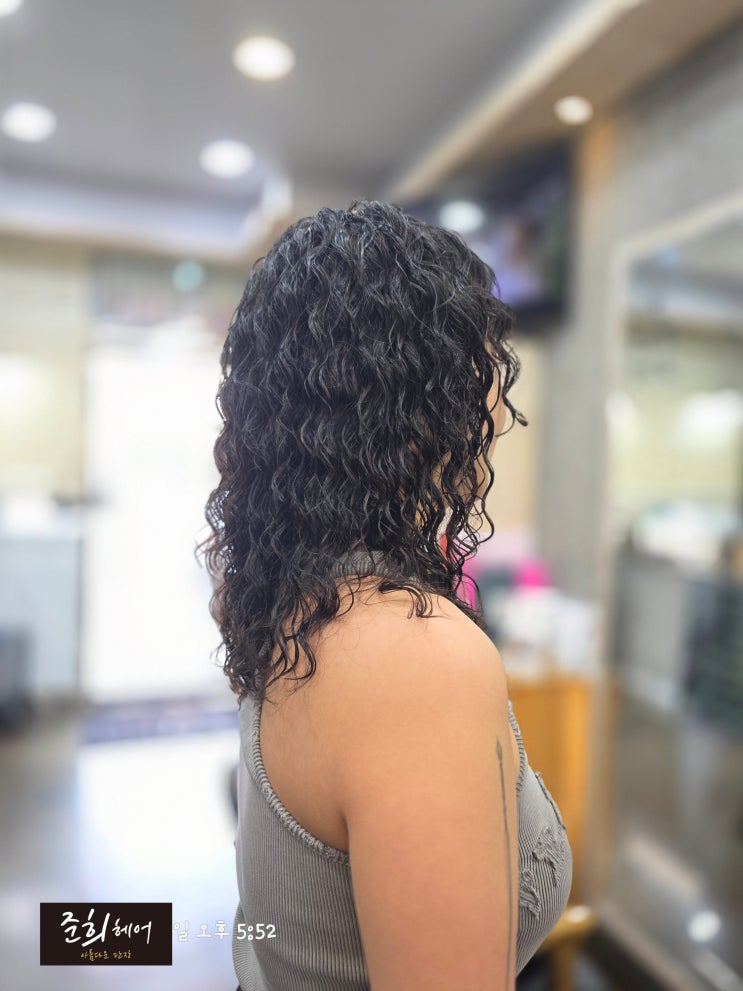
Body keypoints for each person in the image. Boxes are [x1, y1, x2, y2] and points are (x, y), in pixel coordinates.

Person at [196, 199, 572, 990]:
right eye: (480, 365)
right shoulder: (413, 659)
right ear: (413, 399)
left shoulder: (289, 589)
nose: (498, 408)